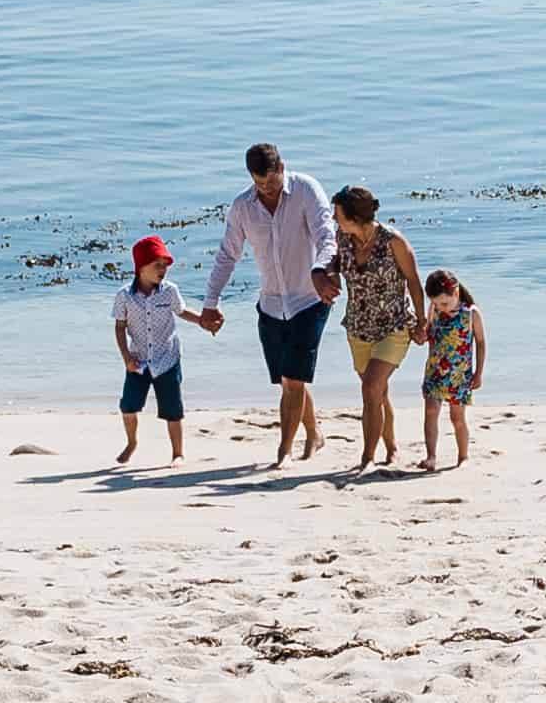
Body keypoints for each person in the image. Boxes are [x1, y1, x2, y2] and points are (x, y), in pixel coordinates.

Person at [200, 140, 339, 466]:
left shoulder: (306, 189)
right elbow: (227, 256)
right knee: (290, 380)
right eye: (259, 183)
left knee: (293, 380)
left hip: (310, 300)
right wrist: (211, 301)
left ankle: (284, 452)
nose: (266, 189)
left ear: (281, 167)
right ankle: (315, 433)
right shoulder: (243, 207)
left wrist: (321, 269)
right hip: (271, 305)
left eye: (271, 181)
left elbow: (326, 235)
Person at [329, 187, 424, 470]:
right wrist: (327, 277)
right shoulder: (342, 238)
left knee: (371, 388)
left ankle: (367, 458)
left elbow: (414, 282)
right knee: (377, 393)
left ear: (355, 217)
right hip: (358, 326)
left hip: (393, 326)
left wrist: (421, 322)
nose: (335, 221)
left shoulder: (393, 241)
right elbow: (333, 265)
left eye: (339, 216)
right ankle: (391, 448)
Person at [107, 236, 194, 466]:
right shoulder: (124, 296)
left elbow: (182, 312)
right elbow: (119, 327)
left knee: (173, 410)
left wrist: (204, 321)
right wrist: (126, 358)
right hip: (138, 360)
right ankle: (132, 443)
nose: (163, 270)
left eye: (165, 265)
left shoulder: (170, 291)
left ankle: (178, 453)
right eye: (157, 264)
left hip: (167, 358)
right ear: (141, 267)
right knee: (128, 406)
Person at [415, 268, 484, 472]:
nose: (441, 308)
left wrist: (478, 373)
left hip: (459, 375)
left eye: (444, 303)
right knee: (430, 411)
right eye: (436, 303)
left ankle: (463, 456)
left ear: (455, 292)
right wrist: (420, 335)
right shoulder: (434, 310)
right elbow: (427, 334)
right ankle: (431, 457)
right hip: (435, 372)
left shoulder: (470, 314)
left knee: (457, 417)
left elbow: (480, 342)